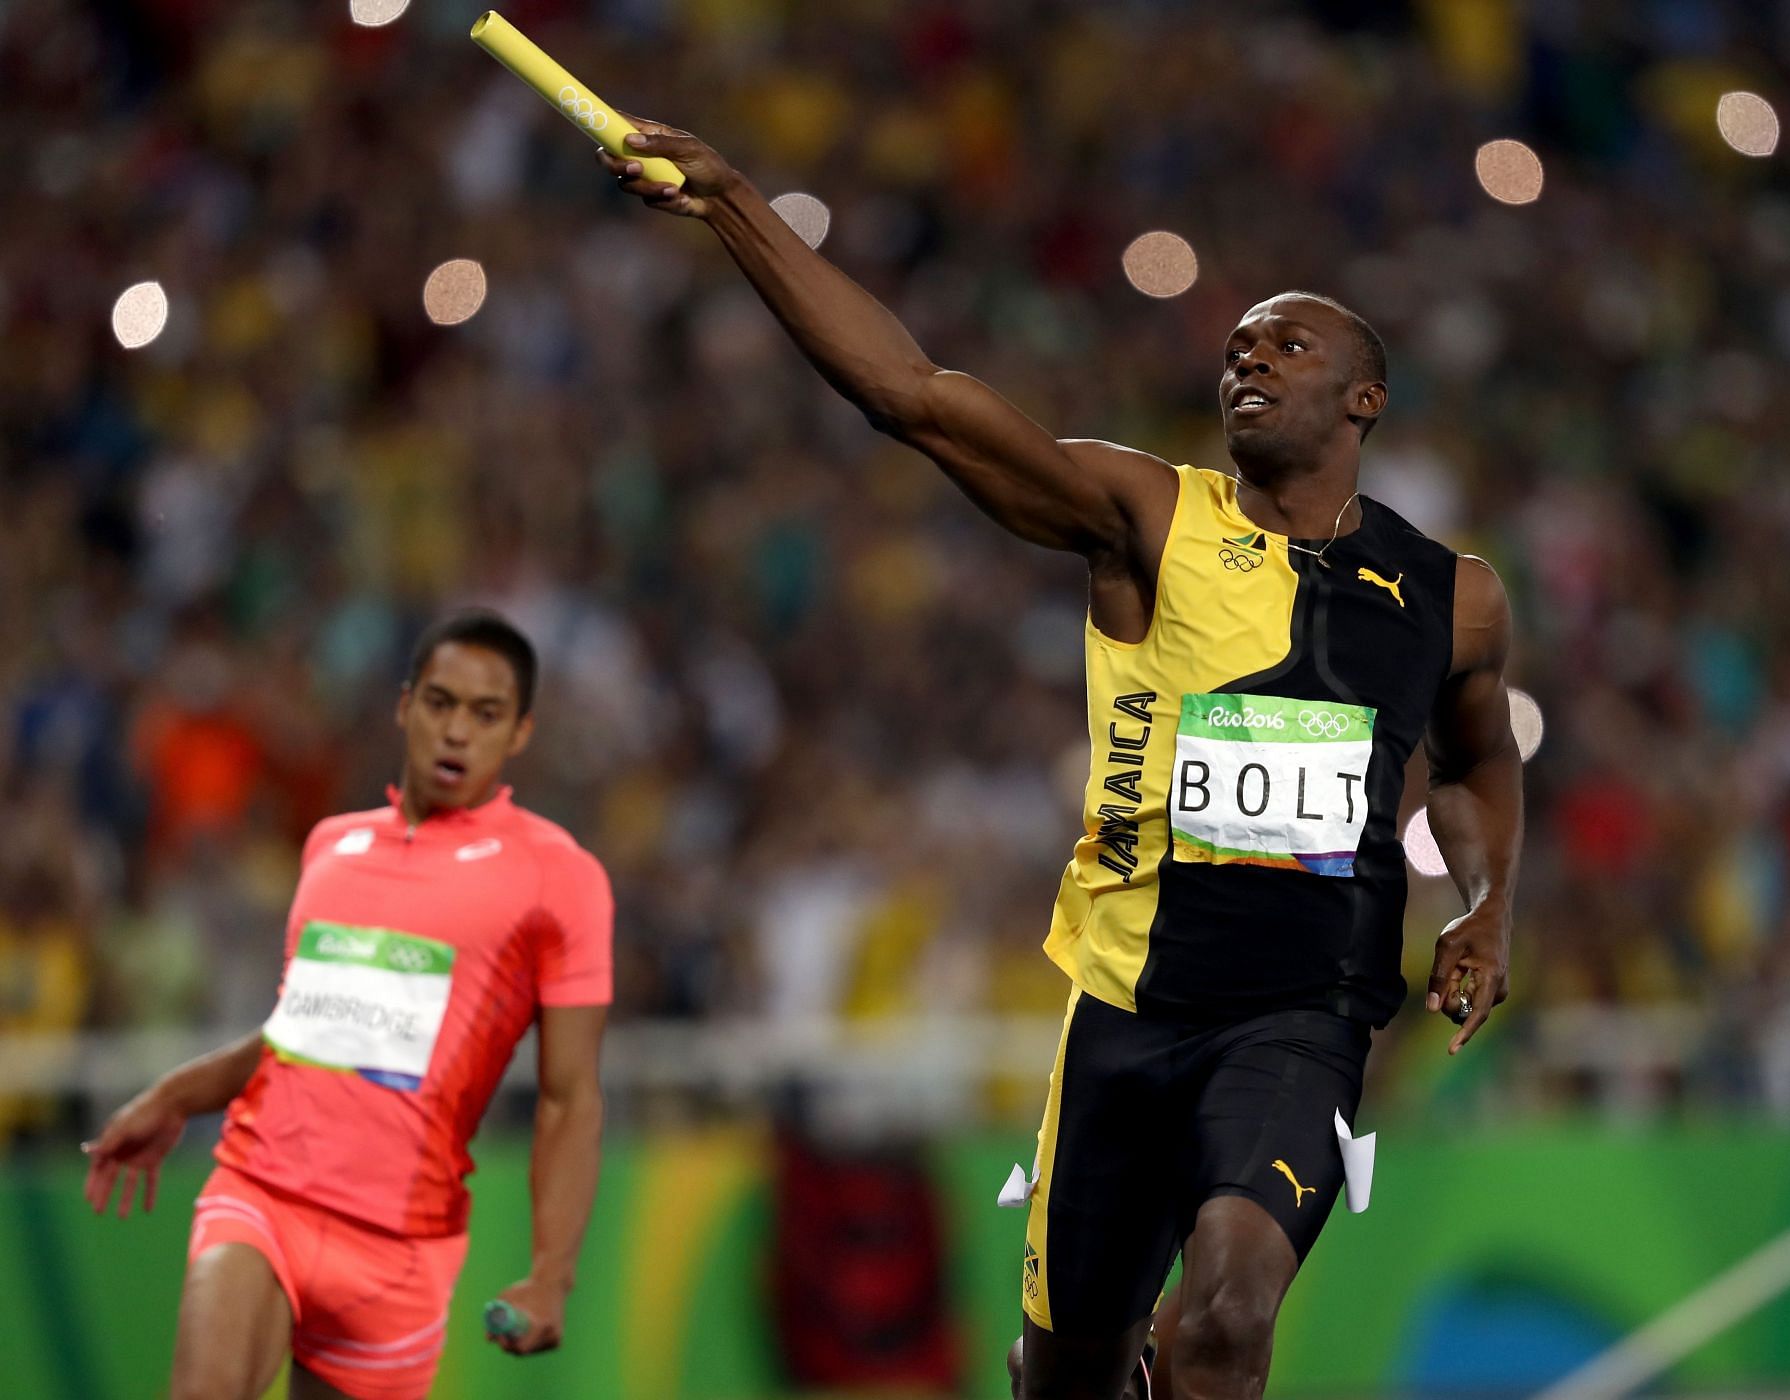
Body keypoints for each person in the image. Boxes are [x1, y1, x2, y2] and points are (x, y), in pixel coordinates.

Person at [598, 119, 1520, 1400]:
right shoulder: (1145, 515)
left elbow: (1480, 758)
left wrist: (1487, 906)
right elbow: (911, 395)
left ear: (1365, 395)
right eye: (1236, 346)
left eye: (1286, 342)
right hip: (1127, 1016)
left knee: (1230, 1312)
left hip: (1300, 1019)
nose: (1248, 357)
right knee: (1069, 1374)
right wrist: (737, 204)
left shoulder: (1452, 595)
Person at [82, 611, 614, 1400]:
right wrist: (175, 1095)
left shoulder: (558, 878)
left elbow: (570, 1098)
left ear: (521, 733)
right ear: (404, 706)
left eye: (485, 713)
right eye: (440, 703)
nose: (456, 732)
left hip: (399, 1253)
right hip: (265, 1195)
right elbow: (306, 1034)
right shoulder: (331, 845)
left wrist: (551, 1276)